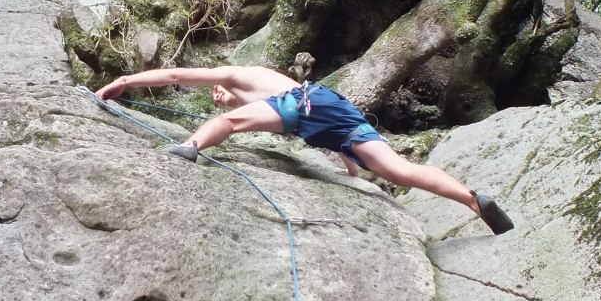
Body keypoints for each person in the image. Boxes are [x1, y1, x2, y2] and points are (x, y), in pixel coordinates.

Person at [96, 64, 514, 234]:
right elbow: (328, 128)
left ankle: (189, 148)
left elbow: (175, 75)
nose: (218, 95)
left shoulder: (239, 75)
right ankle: (473, 200)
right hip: (335, 112)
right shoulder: (274, 93)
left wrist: (125, 82)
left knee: (229, 124)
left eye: (218, 91)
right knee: (399, 170)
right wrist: (352, 170)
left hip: (306, 104)